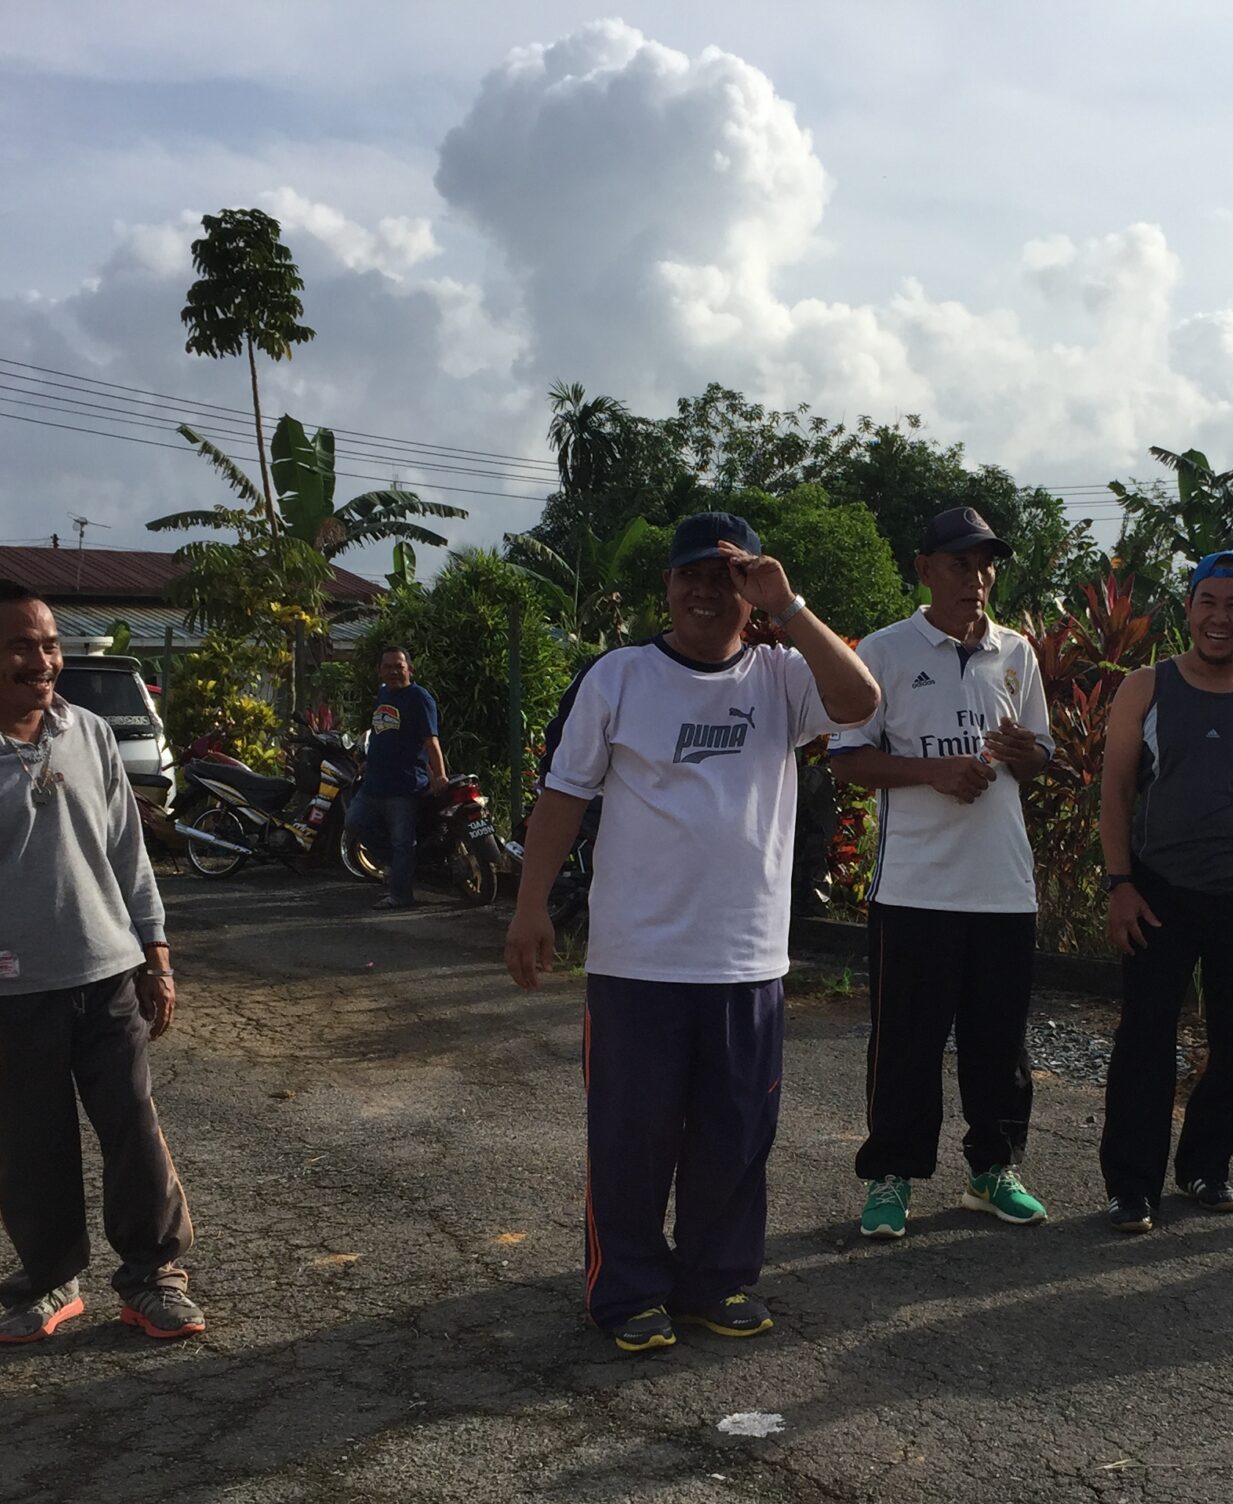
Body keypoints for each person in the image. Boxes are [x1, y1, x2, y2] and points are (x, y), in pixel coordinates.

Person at [504, 513, 881, 1353]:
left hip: (746, 960)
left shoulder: (782, 676)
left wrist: (789, 607)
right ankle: (629, 1289)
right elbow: (563, 796)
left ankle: (716, 1281)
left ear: (751, 589)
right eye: (691, 576)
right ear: (668, 587)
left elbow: (861, 701)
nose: (706, 592)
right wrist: (531, 907)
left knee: (735, 1134)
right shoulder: (620, 676)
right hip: (638, 958)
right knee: (632, 1137)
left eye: (727, 576)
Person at [0, 578, 201, 1345]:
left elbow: (128, 852)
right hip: (10, 994)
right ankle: (51, 1280)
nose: (42, 661)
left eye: (51, 644)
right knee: (32, 1147)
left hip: (107, 977)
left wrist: (156, 954)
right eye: (21, 647)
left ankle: (153, 1277)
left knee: (134, 1129)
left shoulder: (89, 733)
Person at [829, 505, 1053, 1240]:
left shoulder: (1017, 652)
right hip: (914, 888)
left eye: (986, 566)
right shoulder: (885, 651)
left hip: (1003, 888)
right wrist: (934, 772)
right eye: (960, 564)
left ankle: (994, 1171)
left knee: (1000, 1042)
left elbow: (1041, 754)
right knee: (907, 1043)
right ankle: (890, 1176)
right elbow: (848, 759)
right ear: (924, 569)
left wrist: (1023, 752)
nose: (976, 580)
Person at [1096, 551, 1233, 1231]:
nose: (1220, 618)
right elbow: (1115, 790)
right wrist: (1119, 884)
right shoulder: (1146, 687)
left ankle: (1206, 1166)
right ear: (1188, 609)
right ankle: (1132, 1186)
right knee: (1146, 1040)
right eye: (1207, 602)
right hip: (1157, 891)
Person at [359, 642, 446, 910]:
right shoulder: (383, 694)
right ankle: (403, 866)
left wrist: (440, 775)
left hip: (404, 785)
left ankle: (400, 895)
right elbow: (380, 732)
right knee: (356, 823)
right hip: (374, 782)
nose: (394, 671)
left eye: (399, 666)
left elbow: (431, 741)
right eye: (388, 667)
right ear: (379, 671)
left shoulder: (419, 698)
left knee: (402, 842)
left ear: (410, 669)